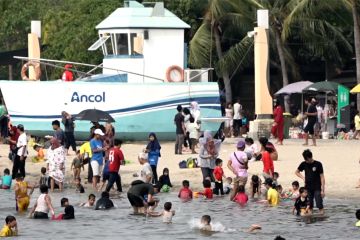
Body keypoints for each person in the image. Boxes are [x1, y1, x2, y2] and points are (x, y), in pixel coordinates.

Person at [295, 149, 325, 214]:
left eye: (306, 159)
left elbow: (322, 177)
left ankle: (321, 220)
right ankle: (310, 220)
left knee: (319, 205)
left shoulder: (318, 164)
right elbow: (296, 172)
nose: (306, 161)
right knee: (309, 206)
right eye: (305, 159)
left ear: (310, 157)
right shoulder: (304, 164)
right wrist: (303, 178)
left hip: (317, 187)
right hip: (307, 188)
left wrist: (323, 190)